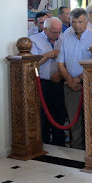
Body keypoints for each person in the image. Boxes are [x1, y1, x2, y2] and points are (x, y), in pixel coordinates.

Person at [57, 8, 92, 150]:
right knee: (73, 119)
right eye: (74, 22)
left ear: (87, 22)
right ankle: (76, 149)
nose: (77, 25)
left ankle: (91, 149)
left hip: (89, 85)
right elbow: (60, 63)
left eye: (80, 22)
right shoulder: (66, 37)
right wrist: (70, 80)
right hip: (70, 85)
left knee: (91, 118)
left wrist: (78, 79)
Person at [30, 17, 66, 146]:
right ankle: (44, 142)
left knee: (59, 114)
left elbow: (69, 60)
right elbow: (33, 64)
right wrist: (49, 55)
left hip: (59, 82)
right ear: (45, 29)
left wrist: (61, 74)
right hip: (42, 83)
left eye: (59, 32)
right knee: (42, 114)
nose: (57, 35)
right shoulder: (34, 40)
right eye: (54, 32)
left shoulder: (62, 39)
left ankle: (59, 142)